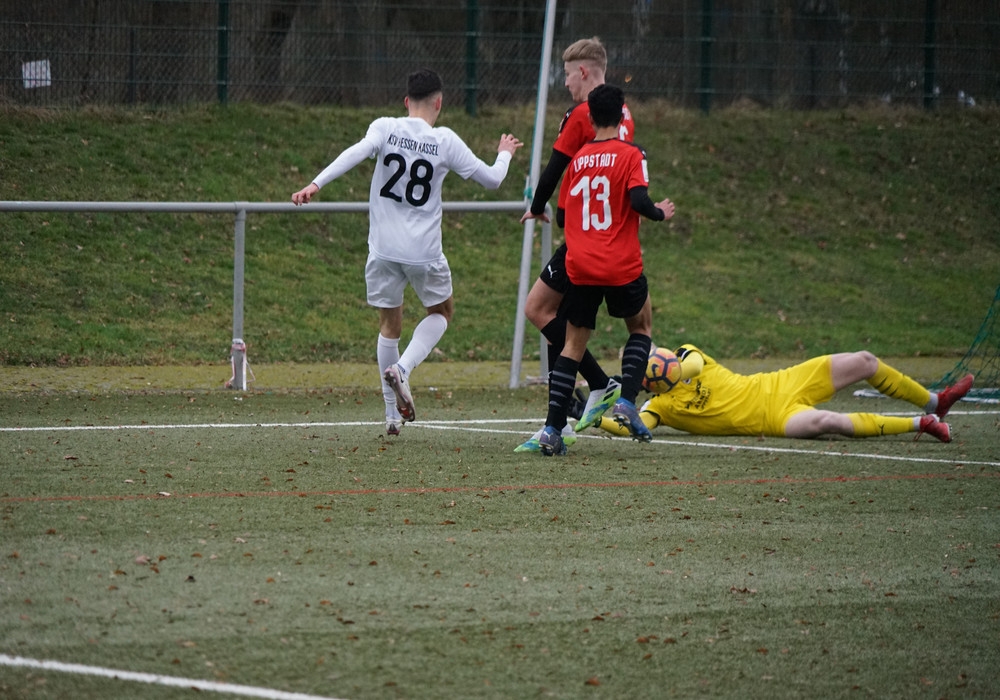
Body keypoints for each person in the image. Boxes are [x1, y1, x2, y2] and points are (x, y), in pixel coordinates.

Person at [292, 69, 522, 435]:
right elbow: (493, 179)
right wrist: (504, 154)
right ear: (439, 103)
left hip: (383, 249)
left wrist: (316, 183)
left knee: (389, 327)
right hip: (423, 252)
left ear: (405, 102)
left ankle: (390, 415)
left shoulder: (385, 127)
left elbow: (357, 152)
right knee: (442, 312)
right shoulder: (444, 140)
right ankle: (403, 369)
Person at [521, 84, 675, 456]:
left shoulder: (577, 160)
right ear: (622, 116)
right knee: (641, 326)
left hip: (581, 264)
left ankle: (552, 430)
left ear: (589, 118)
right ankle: (626, 402)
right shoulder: (632, 153)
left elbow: (561, 216)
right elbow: (638, 199)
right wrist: (659, 212)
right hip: (621, 264)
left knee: (573, 344)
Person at [518, 37, 637, 449]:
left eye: (568, 75)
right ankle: (566, 416)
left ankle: (594, 390)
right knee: (557, 316)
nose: (566, 83)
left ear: (583, 72)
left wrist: (536, 206)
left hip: (584, 240)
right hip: (611, 237)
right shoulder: (624, 114)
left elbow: (556, 167)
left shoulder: (583, 113)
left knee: (539, 310)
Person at [591, 343, 975, 442]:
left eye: (647, 354)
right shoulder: (658, 406)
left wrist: (669, 365)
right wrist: (593, 419)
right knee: (829, 422)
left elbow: (689, 366)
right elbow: (632, 427)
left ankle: (936, 401)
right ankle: (921, 423)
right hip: (774, 419)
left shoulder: (687, 355)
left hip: (782, 382)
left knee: (865, 361)